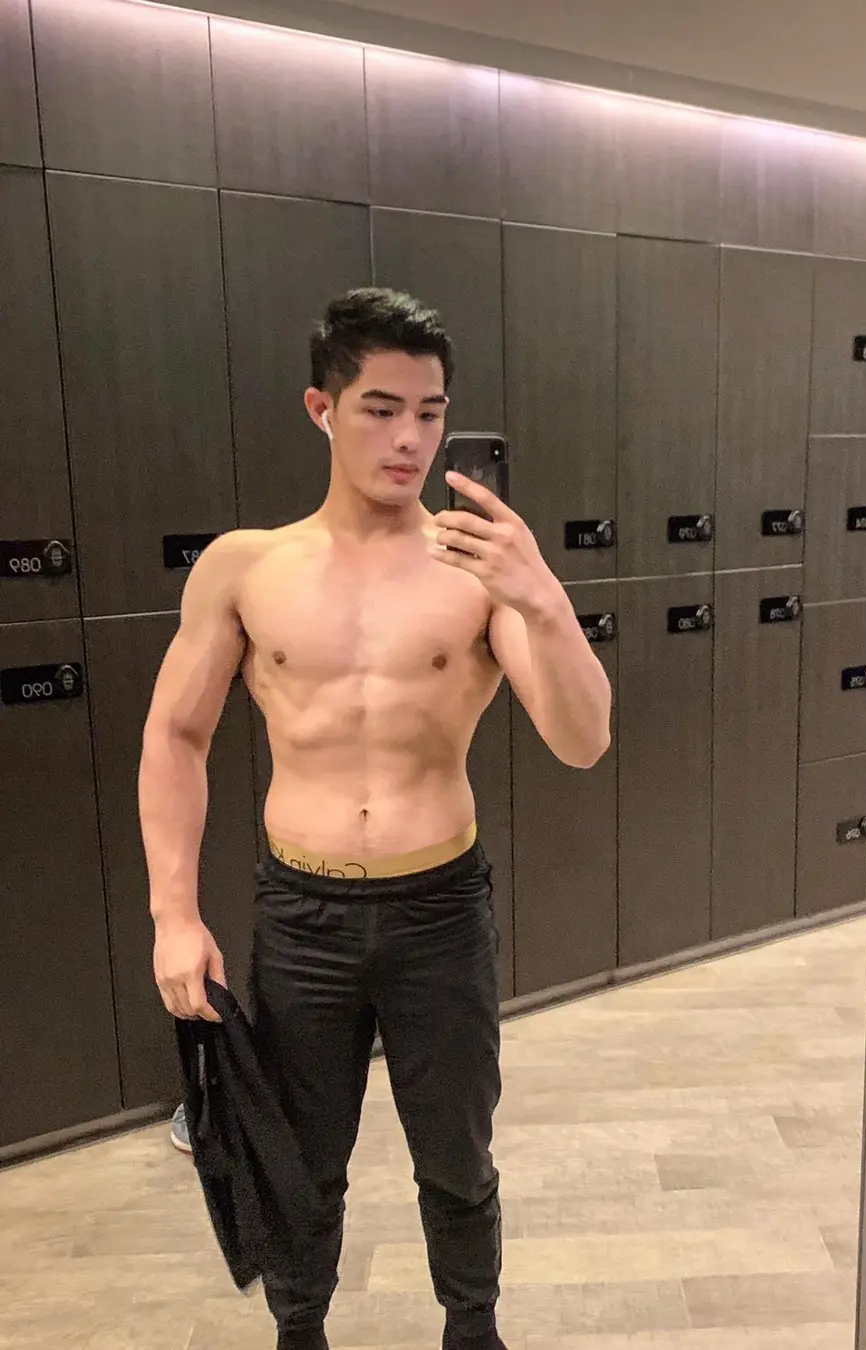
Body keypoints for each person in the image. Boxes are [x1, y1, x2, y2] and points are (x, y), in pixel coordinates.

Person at [138, 287, 613, 1350]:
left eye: (430, 413)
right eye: (381, 409)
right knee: (302, 1162)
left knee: (457, 1156)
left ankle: (472, 1331)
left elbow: (582, 739)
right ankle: (298, 1332)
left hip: (439, 910)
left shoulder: (476, 572)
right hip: (300, 914)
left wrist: (541, 595)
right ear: (322, 409)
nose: (409, 439)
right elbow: (175, 735)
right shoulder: (247, 567)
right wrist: (175, 913)